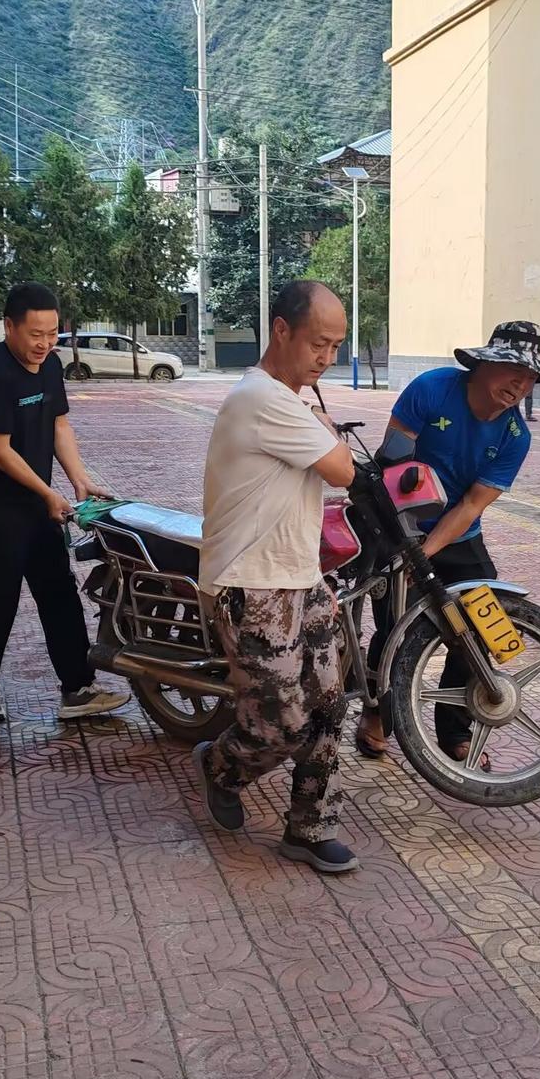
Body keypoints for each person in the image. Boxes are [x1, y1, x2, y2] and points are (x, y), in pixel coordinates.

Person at [192, 281, 360, 874]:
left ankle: (310, 828)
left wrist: (316, 580)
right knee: (282, 724)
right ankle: (219, 766)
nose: (326, 358)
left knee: (331, 705)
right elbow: (342, 469)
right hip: (250, 584)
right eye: (319, 343)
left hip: (299, 579)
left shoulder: (289, 401)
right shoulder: (264, 398)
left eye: (336, 346)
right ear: (281, 330)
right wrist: (324, 423)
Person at [355, 320, 540, 768]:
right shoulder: (431, 390)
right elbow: (392, 463)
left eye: (529, 378)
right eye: (513, 371)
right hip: (395, 523)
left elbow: (471, 505)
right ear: (484, 364)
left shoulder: (515, 437)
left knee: (484, 625)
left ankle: (455, 731)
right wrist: (408, 550)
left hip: (458, 534)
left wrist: (427, 553)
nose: (520, 385)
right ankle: (376, 715)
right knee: (395, 629)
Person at [0, 282, 129, 725]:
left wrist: (78, 479)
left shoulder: (50, 366)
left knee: (58, 592)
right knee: (3, 595)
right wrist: (49, 493)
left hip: (36, 504)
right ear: (9, 326)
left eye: (52, 333)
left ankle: (78, 688)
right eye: (35, 334)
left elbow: (59, 425)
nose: (45, 343)